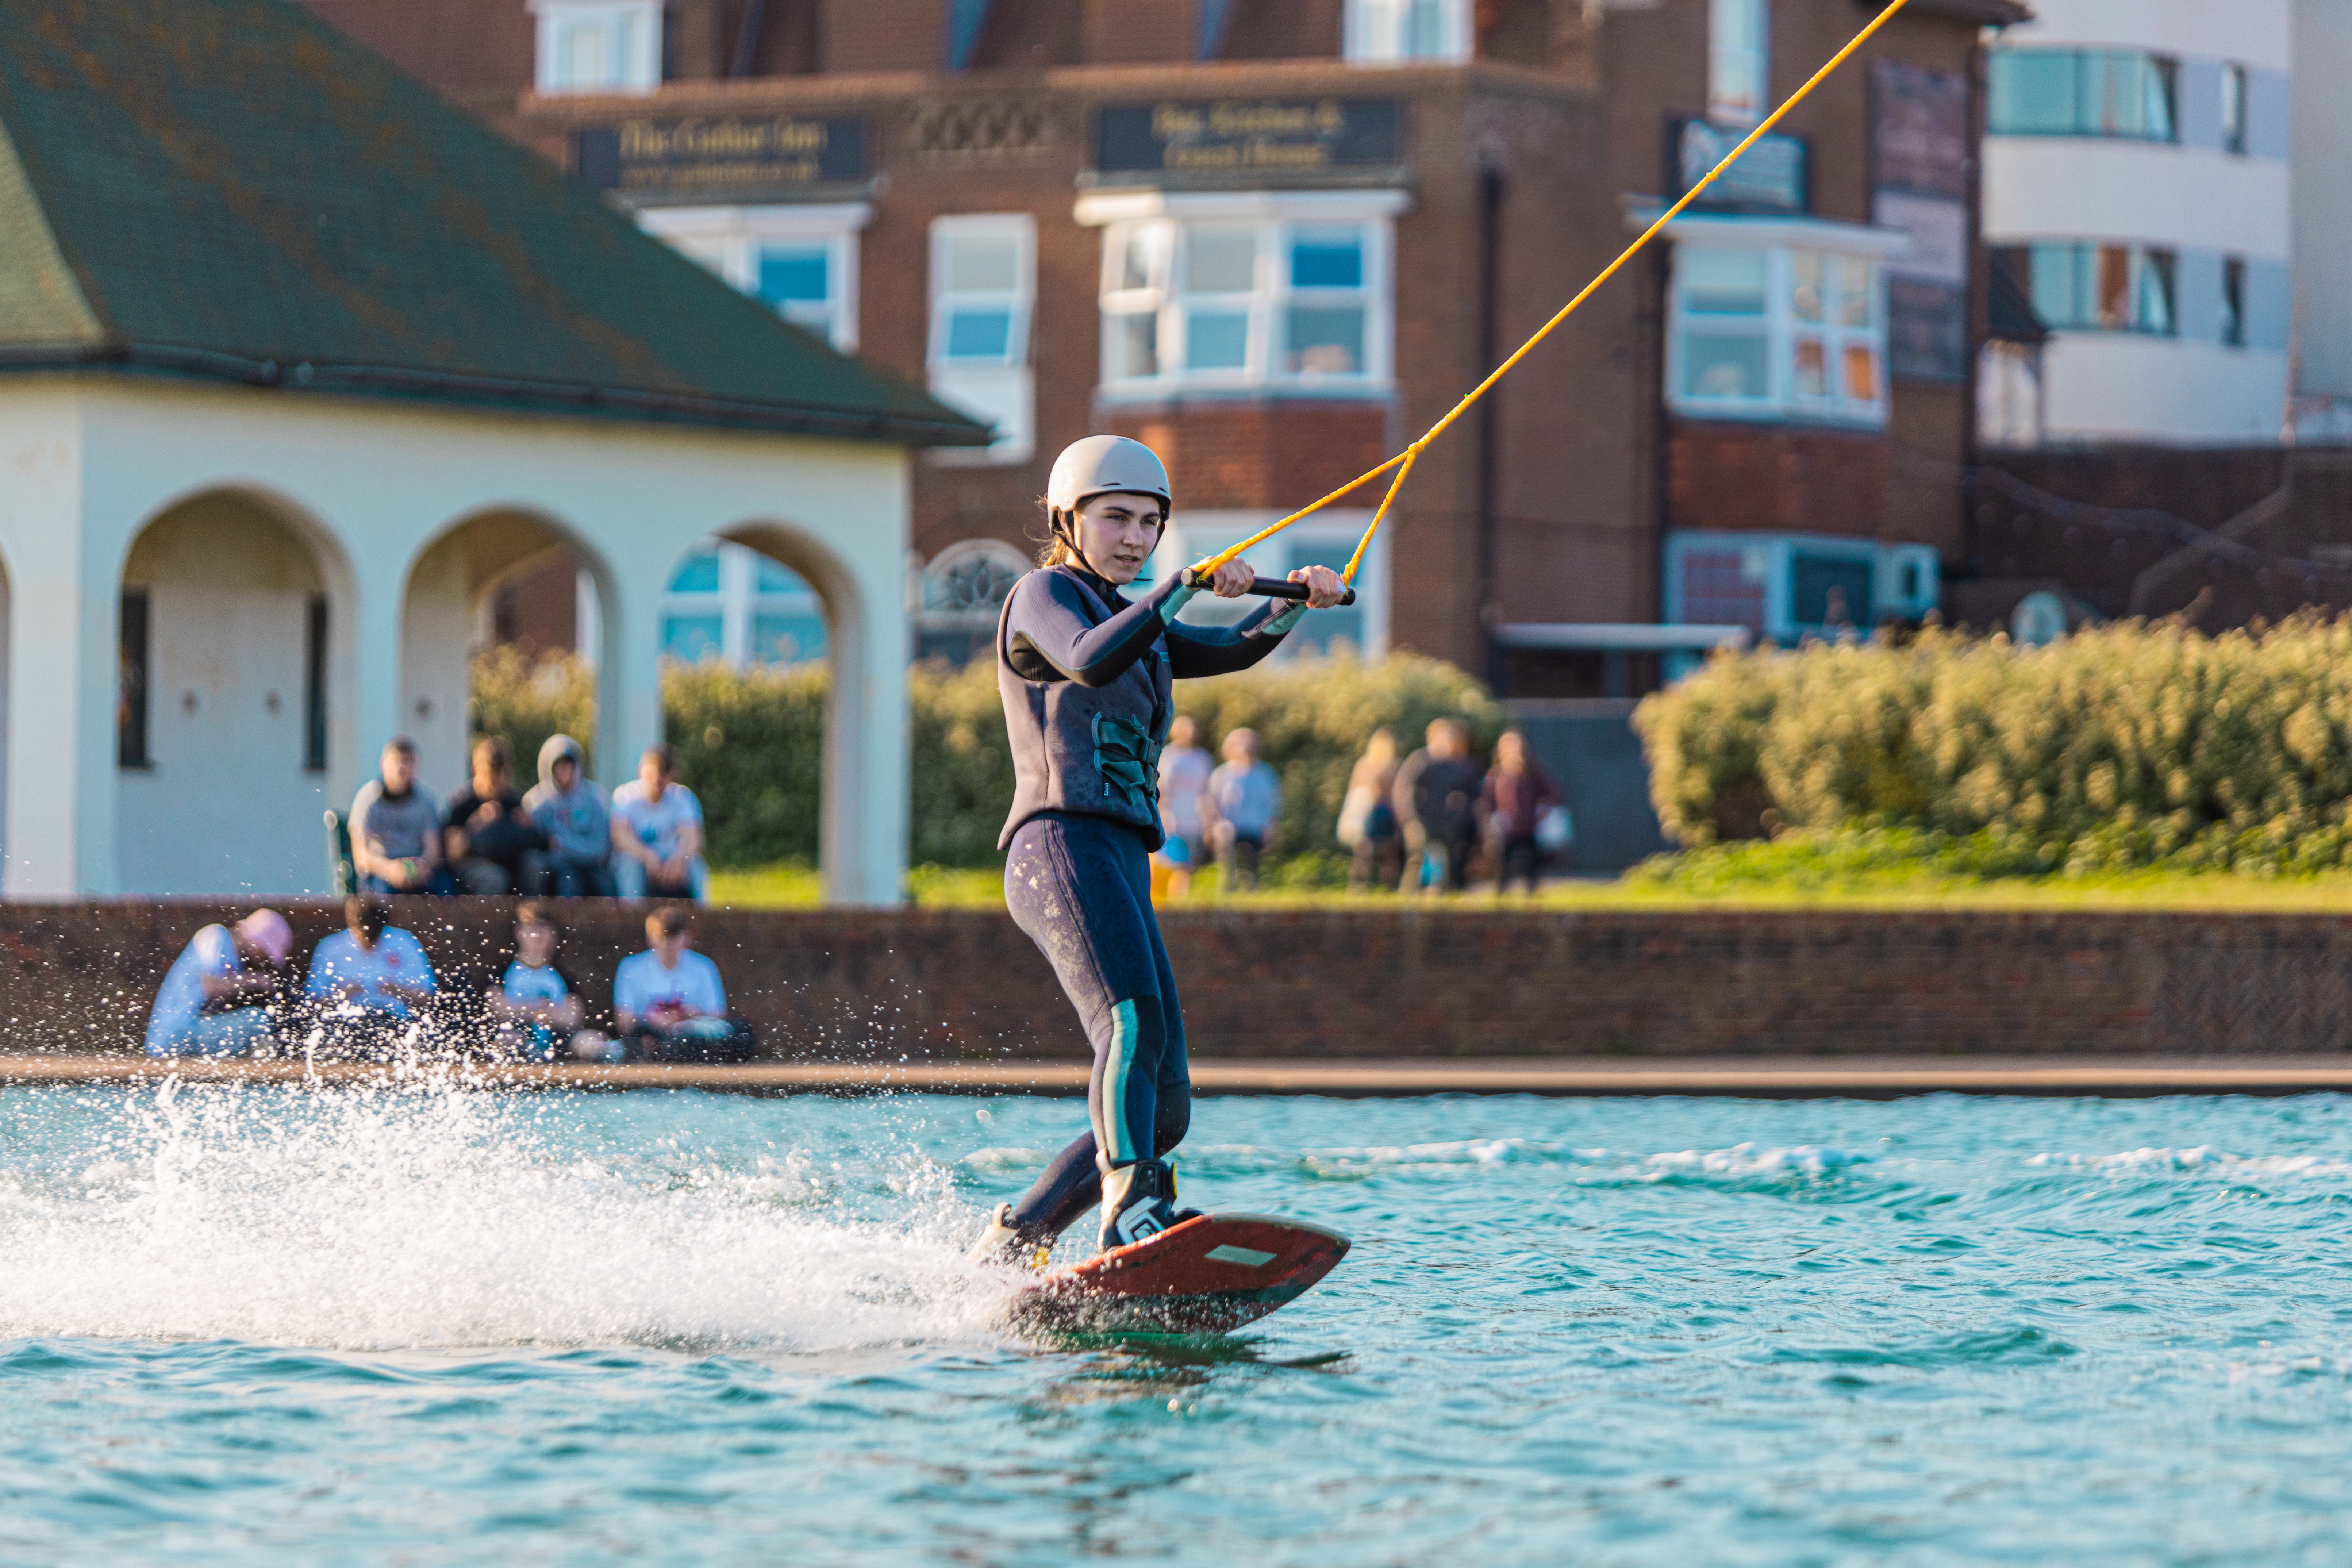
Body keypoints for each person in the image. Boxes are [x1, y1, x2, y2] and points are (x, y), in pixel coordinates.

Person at [967, 434, 1346, 1266]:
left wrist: (1291, 603)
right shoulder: (1044, 595)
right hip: (1057, 843)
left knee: (1167, 1097)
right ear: (1069, 518)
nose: (1135, 537)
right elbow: (1087, 660)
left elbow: (1227, 647)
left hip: (1119, 855)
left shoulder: (1136, 618)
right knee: (1127, 1024)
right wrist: (1177, 589)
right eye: (1116, 518)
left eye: (1149, 522)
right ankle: (1130, 1206)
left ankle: (1015, 1236)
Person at [612, 903, 756, 1061]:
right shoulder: (631, 967)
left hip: (693, 1037)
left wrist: (693, 1014)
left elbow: (719, 1016)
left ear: (686, 938)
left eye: (674, 938)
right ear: (650, 939)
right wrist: (652, 1021)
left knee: (742, 1032)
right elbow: (624, 1024)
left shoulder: (703, 966)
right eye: (663, 937)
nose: (668, 944)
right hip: (653, 1038)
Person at [144, 909, 295, 1058]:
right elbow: (210, 985)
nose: (265, 959)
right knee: (258, 1020)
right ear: (259, 939)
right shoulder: (216, 934)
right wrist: (255, 980)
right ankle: (265, 1076)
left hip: (181, 1033)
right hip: (174, 1034)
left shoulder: (234, 959)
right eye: (266, 952)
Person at [305, 896, 437, 1045]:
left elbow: (429, 997)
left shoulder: (405, 942)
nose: (369, 941)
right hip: (345, 1025)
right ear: (351, 923)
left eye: (375, 935)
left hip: (395, 1023)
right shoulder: (330, 947)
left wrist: (398, 990)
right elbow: (312, 1002)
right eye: (363, 934)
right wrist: (340, 995)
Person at [487, 901, 609, 1061]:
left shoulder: (562, 976)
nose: (539, 936)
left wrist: (521, 1009)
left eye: (545, 930)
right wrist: (548, 1009)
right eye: (533, 929)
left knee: (593, 1040)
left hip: (558, 1040)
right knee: (506, 1040)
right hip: (518, 1038)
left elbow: (574, 1017)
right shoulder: (503, 972)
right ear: (519, 933)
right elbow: (497, 1010)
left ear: (554, 936)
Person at [350, 737, 459, 895]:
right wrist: (391, 870)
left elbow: (434, 852)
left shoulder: (427, 801)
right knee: (382, 898)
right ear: (383, 764)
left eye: (407, 762)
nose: (401, 768)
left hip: (417, 869)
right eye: (396, 762)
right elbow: (361, 857)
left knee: (447, 891)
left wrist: (421, 867)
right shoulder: (368, 800)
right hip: (381, 873)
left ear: (415, 766)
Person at [444, 736, 547, 895]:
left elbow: (540, 843)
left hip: (509, 864)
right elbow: (453, 855)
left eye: (502, 774)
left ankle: (532, 917)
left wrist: (531, 828)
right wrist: (476, 823)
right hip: (474, 866)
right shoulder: (461, 804)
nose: (496, 782)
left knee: (534, 863)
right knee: (494, 879)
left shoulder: (513, 803)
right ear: (475, 768)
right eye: (490, 773)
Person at [1394, 718, 1483, 893]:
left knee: (1449, 861)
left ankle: (1445, 897)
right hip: (1420, 822)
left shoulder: (1457, 765)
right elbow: (1404, 792)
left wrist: (1458, 813)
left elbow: (1471, 795)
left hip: (1447, 822)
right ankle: (1407, 897)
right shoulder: (1420, 761)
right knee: (1417, 860)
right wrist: (1410, 819)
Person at [610, 743, 706, 901]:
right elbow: (620, 837)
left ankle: (703, 916)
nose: (658, 779)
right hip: (639, 858)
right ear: (641, 770)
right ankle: (631, 916)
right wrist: (648, 856)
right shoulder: (625, 797)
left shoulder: (683, 797)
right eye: (654, 772)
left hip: (671, 858)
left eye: (665, 773)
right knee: (629, 864)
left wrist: (678, 859)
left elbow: (694, 840)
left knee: (695, 864)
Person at [523, 734, 615, 897]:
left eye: (569, 765)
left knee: (606, 887)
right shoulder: (535, 803)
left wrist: (563, 844)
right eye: (559, 766)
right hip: (557, 872)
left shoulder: (596, 799)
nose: (564, 772)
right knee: (568, 881)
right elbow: (538, 848)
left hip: (592, 866)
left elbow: (601, 848)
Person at [1481, 729, 1565, 896]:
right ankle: (1501, 895)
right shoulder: (1496, 774)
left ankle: (1532, 895)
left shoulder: (1533, 773)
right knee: (1502, 864)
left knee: (1533, 867)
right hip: (1507, 831)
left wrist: (1544, 812)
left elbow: (1554, 794)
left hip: (1530, 828)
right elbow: (1486, 801)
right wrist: (1492, 822)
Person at [1203, 726, 1281, 893]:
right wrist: (1211, 824)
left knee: (1251, 864)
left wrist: (1271, 827)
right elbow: (1212, 800)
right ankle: (1227, 888)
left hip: (1255, 827)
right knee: (1227, 854)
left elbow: (1272, 804)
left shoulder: (1265, 774)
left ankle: (1250, 889)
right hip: (1229, 826)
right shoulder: (1222, 773)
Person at [1153, 715, 1213, 898]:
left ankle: (1179, 900)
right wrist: (1161, 812)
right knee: (1168, 860)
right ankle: (1163, 899)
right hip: (1171, 816)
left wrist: (1208, 821)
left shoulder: (1203, 758)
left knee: (1187, 863)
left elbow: (1206, 792)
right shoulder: (1167, 756)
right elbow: (1160, 787)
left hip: (1194, 818)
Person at [1338, 726, 1403, 893]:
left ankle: (1388, 890)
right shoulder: (1365, 766)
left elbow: (1394, 796)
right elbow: (1355, 792)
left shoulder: (1393, 768)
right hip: (1367, 815)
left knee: (1387, 856)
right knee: (1363, 854)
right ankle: (1358, 889)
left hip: (1384, 815)